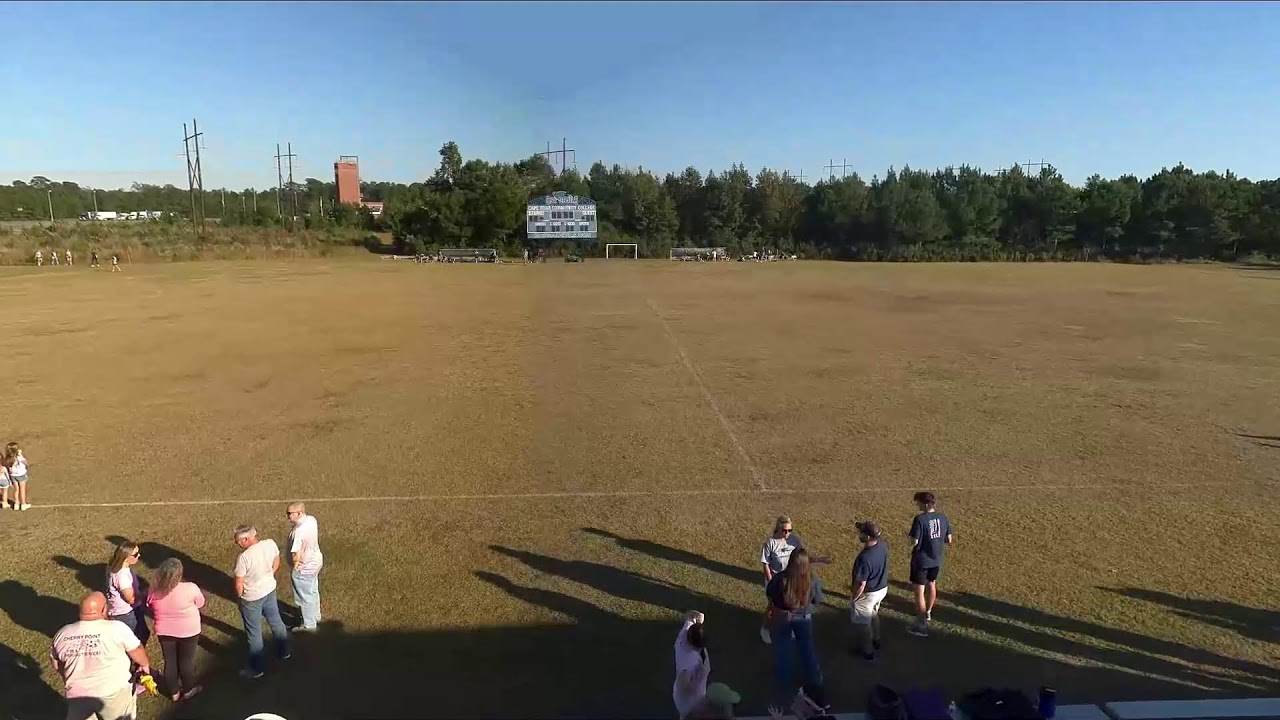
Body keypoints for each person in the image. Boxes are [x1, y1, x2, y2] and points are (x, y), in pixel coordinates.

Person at [51, 592, 152, 720]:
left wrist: (70, 677)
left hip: (77, 695)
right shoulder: (117, 628)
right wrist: (145, 665)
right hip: (113, 692)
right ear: (104, 609)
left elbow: (56, 663)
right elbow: (136, 649)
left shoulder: (62, 634)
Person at [765, 548, 827, 715]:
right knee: (807, 650)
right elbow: (818, 599)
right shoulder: (812, 580)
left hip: (783, 618)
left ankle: (784, 682)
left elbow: (770, 595)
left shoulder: (780, 579)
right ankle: (815, 683)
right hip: (804, 618)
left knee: (783, 649)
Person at [232, 524, 291, 678]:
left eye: (238, 541)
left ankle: (257, 669)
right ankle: (284, 651)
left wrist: (239, 598)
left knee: (254, 633)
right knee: (276, 621)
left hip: (251, 598)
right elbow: (276, 560)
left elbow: (239, 583)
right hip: (269, 590)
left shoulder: (244, 558)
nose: (237, 544)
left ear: (246, 539)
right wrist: (270, 574)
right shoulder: (270, 544)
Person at [759, 516, 829, 644]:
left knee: (792, 604)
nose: (787, 533)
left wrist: (819, 560)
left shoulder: (794, 540)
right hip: (776, 580)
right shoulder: (770, 543)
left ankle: (790, 627)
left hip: (792, 579)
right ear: (779, 528)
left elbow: (803, 557)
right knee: (772, 607)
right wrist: (770, 581)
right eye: (784, 530)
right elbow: (766, 564)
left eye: (790, 530)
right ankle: (766, 628)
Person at [146, 558, 205, 701]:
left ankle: (174, 693)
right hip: (189, 630)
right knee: (186, 661)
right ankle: (189, 689)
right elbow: (200, 603)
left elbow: (149, 604)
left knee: (170, 661)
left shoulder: (154, 590)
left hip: (165, 631)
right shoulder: (190, 588)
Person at [907, 491, 954, 638]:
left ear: (925, 504)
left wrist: (909, 539)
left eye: (919, 502)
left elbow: (914, 541)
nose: (917, 505)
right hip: (936, 559)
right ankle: (928, 612)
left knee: (919, 592)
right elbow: (949, 539)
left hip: (921, 560)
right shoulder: (943, 518)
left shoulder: (920, 519)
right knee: (932, 584)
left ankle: (921, 626)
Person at [849, 521, 889, 660]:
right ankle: (876, 640)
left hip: (868, 593)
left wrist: (855, 597)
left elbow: (861, 583)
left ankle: (868, 651)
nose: (858, 534)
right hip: (881, 589)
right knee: (873, 614)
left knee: (863, 622)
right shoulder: (882, 546)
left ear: (867, 537)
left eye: (861, 532)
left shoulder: (864, 558)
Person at [285, 502, 323, 631]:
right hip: (315, 561)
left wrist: (295, 566)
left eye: (290, 513)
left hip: (304, 568)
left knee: (303, 597)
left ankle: (308, 624)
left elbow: (296, 553)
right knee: (312, 590)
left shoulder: (298, 531)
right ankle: (316, 615)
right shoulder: (311, 520)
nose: (288, 516)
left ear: (299, 513)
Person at [673, 610, 709, 719]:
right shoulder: (689, 660)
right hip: (689, 705)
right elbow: (685, 687)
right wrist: (701, 676)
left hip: (685, 700)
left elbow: (688, 616)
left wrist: (697, 615)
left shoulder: (683, 635)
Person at [3, 441, 31, 510]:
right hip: (21, 475)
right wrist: (21, 455)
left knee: (16, 490)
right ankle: (23, 504)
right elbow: (26, 463)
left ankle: (16, 504)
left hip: (13, 476)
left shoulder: (8, 459)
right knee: (22, 489)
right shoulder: (19, 458)